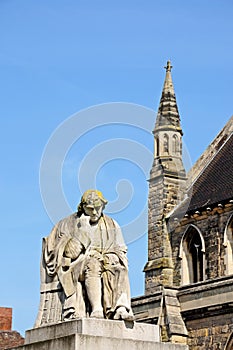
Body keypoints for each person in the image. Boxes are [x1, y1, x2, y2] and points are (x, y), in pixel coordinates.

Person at [35, 190, 134, 326]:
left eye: (97, 209)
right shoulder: (70, 224)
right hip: (75, 267)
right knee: (92, 263)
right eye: (90, 209)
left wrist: (109, 258)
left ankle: (121, 308)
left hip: (105, 263)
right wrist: (83, 233)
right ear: (83, 208)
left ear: (103, 206)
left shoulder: (112, 225)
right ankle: (97, 310)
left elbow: (121, 251)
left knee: (119, 269)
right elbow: (69, 254)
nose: (94, 213)